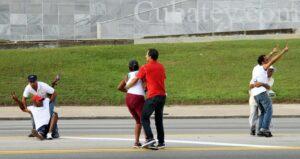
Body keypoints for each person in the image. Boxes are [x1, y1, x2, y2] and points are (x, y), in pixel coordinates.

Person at [126, 49, 166, 149]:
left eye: (146, 55)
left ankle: (150, 138)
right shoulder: (161, 66)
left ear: (150, 56)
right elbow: (162, 78)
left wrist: (128, 86)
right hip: (162, 96)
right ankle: (161, 142)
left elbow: (136, 79)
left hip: (153, 96)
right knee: (158, 119)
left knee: (143, 117)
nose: (145, 56)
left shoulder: (145, 67)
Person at [250, 44, 288, 137]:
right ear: (264, 61)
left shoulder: (256, 67)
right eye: (266, 58)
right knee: (269, 110)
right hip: (261, 92)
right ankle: (264, 129)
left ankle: (260, 130)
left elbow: (266, 58)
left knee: (263, 111)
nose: (268, 58)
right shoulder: (264, 67)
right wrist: (283, 51)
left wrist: (272, 52)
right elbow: (273, 60)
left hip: (255, 94)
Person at [118, 60, 145, 148]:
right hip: (138, 98)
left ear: (129, 68)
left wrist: (128, 91)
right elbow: (146, 85)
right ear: (138, 66)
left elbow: (119, 87)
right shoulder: (141, 73)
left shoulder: (128, 75)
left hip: (128, 98)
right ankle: (148, 140)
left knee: (138, 121)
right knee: (145, 120)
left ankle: (136, 142)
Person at [248, 66, 276, 136]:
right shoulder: (258, 75)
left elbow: (268, 87)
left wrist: (261, 84)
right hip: (254, 96)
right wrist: (257, 84)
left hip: (263, 96)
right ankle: (253, 127)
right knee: (253, 113)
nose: (271, 73)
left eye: (272, 71)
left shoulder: (271, 79)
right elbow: (250, 85)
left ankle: (261, 129)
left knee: (264, 111)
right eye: (270, 71)